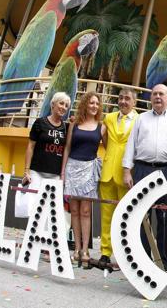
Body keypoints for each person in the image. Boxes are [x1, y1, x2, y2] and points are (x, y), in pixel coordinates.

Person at [122, 84, 167, 273]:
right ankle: (143, 257)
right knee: (142, 215)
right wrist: (126, 170)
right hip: (142, 170)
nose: (158, 97)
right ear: (151, 98)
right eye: (155, 94)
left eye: (161, 94)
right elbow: (131, 144)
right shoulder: (141, 119)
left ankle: (164, 259)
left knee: (164, 216)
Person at [61, 92, 107, 267]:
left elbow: (109, 148)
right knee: (74, 211)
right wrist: (63, 172)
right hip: (72, 168)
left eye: (97, 103)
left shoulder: (102, 127)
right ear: (85, 105)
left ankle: (86, 250)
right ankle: (77, 249)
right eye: (91, 103)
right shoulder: (74, 124)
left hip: (89, 169)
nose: (94, 106)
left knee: (86, 211)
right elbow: (67, 148)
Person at [98, 88, 137, 265]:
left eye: (127, 98)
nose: (123, 101)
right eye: (120, 98)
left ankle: (124, 252)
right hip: (107, 173)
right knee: (106, 214)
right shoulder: (109, 117)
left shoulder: (139, 120)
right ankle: (105, 252)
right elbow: (104, 139)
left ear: (134, 102)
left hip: (127, 174)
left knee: (125, 216)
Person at [22, 92, 71, 216]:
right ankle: (32, 235)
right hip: (37, 172)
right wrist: (26, 170)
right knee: (33, 209)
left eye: (66, 105)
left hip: (55, 175)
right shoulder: (40, 123)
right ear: (53, 104)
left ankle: (44, 235)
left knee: (50, 212)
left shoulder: (67, 128)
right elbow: (30, 146)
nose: (63, 107)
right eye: (61, 103)